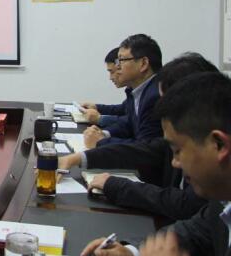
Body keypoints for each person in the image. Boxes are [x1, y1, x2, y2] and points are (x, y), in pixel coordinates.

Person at [79, 72, 231, 256]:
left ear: (219, 145)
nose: (174, 163)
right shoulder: (221, 202)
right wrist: (132, 254)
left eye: (177, 151)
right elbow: (192, 235)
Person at [59, 53, 216, 222]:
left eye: (166, 105)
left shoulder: (209, 153)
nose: (161, 113)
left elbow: (185, 204)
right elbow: (144, 150)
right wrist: (78, 158)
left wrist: (116, 185)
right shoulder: (186, 135)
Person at [82, 34, 162, 148]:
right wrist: (103, 134)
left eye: (121, 60)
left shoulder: (156, 95)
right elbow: (129, 123)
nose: (118, 67)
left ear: (143, 64)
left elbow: (147, 148)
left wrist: (101, 141)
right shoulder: (138, 90)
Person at [80, 47, 126, 128]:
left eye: (112, 72)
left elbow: (131, 123)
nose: (110, 78)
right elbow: (123, 109)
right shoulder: (132, 91)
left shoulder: (148, 95)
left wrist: (100, 119)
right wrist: (97, 107)